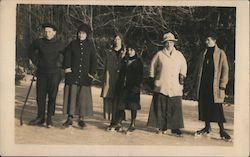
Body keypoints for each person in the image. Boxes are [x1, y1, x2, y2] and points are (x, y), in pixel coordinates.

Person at [147, 32, 187, 136]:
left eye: (171, 42)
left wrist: (182, 76)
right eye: (167, 42)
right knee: (161, 106)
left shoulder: (179, 55)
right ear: (164, 43)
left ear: (174, 43)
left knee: (175, 106)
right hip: (162, 84)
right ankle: (162, 126)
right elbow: (152, 66)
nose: (169, 44)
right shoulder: (159, 54)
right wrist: (152, 78)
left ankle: (175, 127)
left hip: (175, 85)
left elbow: (184, 66)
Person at [194, 32, 231, 141]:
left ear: (214, 41)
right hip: (204, 85)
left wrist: (222, 85)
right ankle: (207, 127)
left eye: (208, 40)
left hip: (215, 87)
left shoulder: (220, 53)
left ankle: (222, 130)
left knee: (217, 108)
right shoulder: (203, 53)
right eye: (206, 40)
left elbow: (225, 70)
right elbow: (198, 69)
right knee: (205, 106)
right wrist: (195, 83)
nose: (206, 42)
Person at [28, 23, 65, 128]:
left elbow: (67, 55)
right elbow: (30, 51)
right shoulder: (39, 42)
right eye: (45, 31)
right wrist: (36, 62)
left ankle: (49, 119)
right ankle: (40, 117)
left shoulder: (59, 44)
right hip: (42, 73)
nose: (47, 33)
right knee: (40, 97)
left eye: (49, 31)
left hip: (54, 74)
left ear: (54, 32)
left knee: (52, 97)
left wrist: (61, 66)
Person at [62, 23, 97, 128]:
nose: (81, 35)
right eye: (80, 33)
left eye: (83, 33)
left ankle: (81, 118)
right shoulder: (72, 44)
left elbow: (94, 61)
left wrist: (91, 74)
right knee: (71, 97)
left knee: (82, 98)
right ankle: (70, 118)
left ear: (87, 35)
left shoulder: (90, 46)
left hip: (85, 77)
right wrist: (68, 70)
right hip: (73, 75)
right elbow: (67, 57)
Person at [109, 41, 144, 132]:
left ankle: (133, 123)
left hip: (133, 88)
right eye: (128, 50)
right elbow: (121, 73)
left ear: (135, 51)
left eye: (132, 50)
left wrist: (136, 86)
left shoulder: (138, 62)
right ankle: (119, 122)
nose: (129, 51)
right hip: (123, 87)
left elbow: (140, 75)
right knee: (121, 105)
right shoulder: (124, 60)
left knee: (133, 106)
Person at [101, 34, 125, 121]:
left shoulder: (125, 53)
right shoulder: (109, 52)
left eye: (119, 39)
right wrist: (104, 79)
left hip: (120, 79)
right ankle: (109, 118)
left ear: (121, 41)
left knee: (119, 99)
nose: (117, 41)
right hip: (109, 78)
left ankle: (119, 120)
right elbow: (104, 66)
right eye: (115, 39)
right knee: (109, 97)